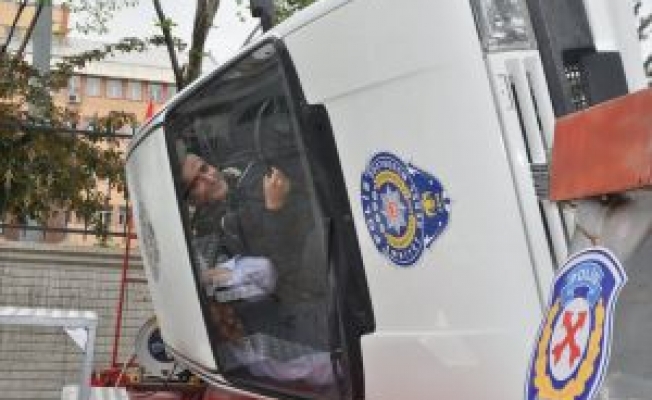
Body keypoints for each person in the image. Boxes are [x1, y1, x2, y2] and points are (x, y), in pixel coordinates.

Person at [179, 151, 333, 387]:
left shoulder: (251, 168)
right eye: (196, 183)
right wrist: (274, 209)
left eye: (204, 168)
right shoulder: (213, 232)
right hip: (308, 296)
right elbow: (274, 267)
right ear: (193, 201)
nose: (209, 178)